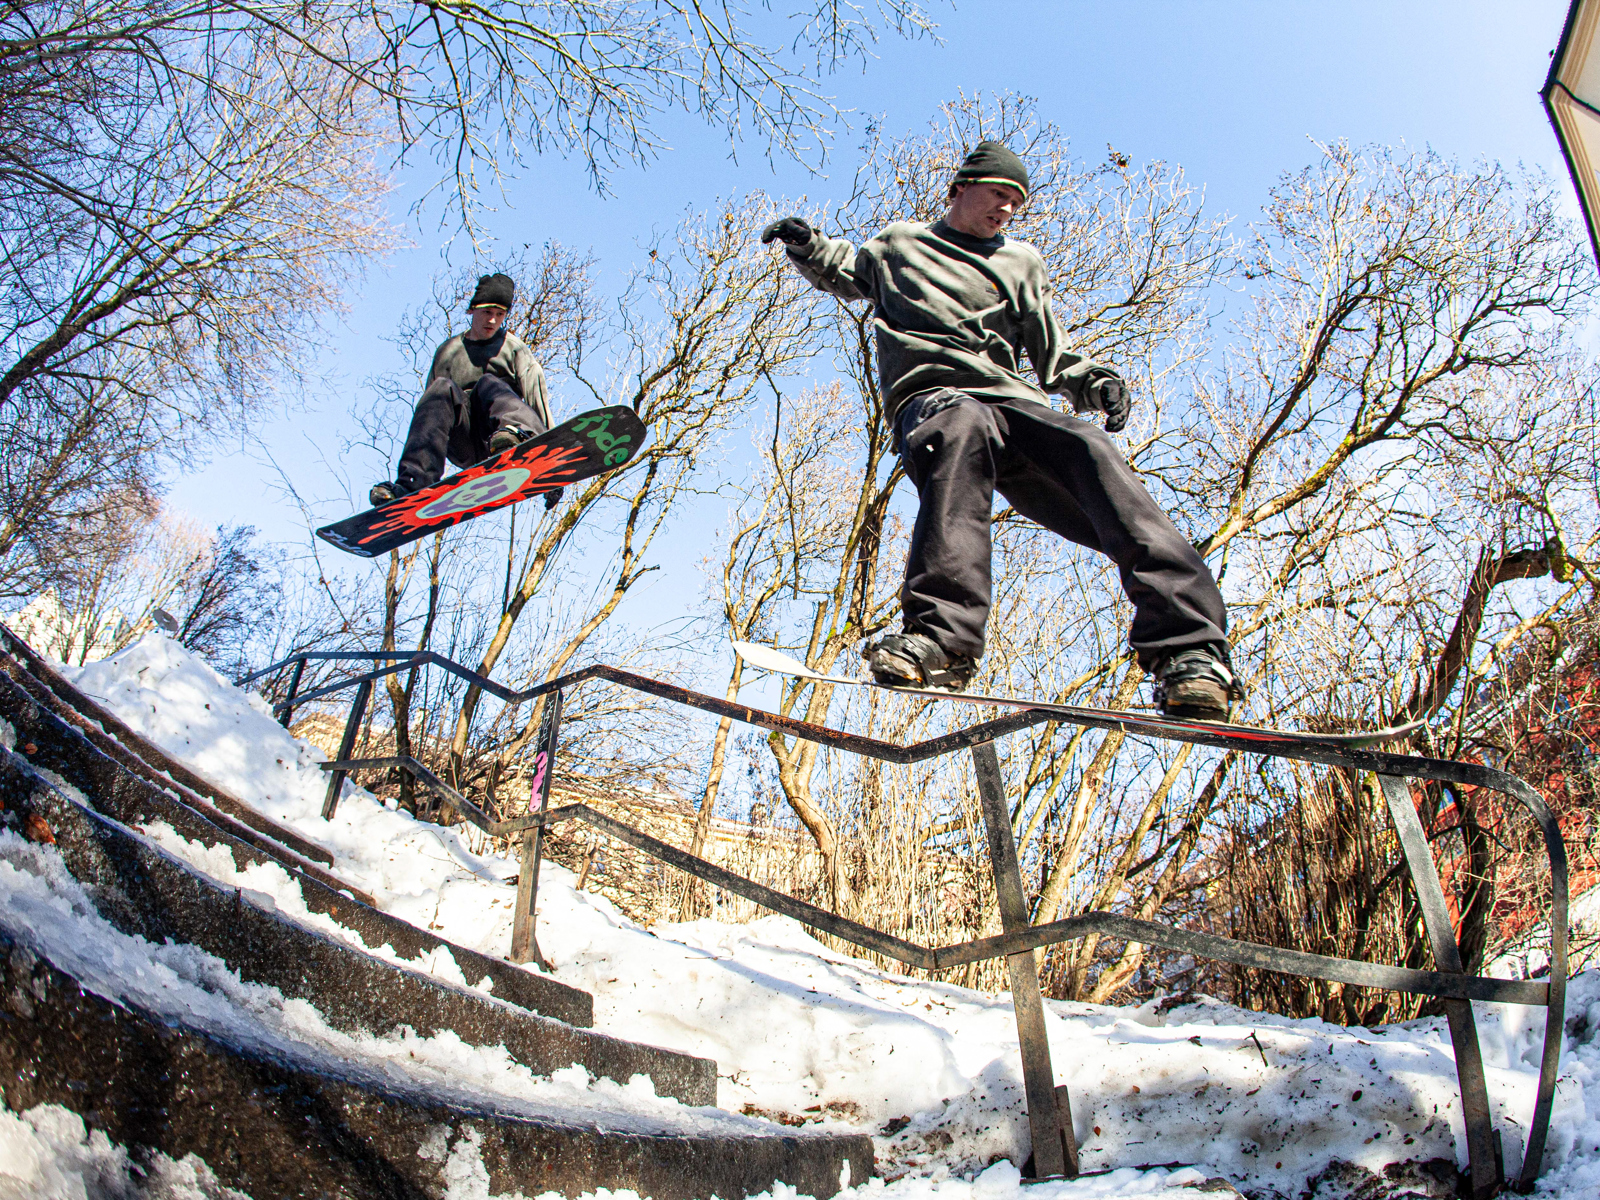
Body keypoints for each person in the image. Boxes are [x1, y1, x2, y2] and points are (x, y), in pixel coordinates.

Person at [761, 141, 1239, 720]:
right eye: (999, 194)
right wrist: (806, 244)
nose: (1007, 209)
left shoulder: (1020, 262)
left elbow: (1053, 353)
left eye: (1017, 202)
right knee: (961, 429)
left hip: (1012, 401)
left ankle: (1190, 653)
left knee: (1091, 447)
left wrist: (1096, 385)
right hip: (935, 399)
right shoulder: (900, 244)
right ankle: (944, 640)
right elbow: (845, 269)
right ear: (960, 189)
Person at [369, 272, 557, 507]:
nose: (492, 321)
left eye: (500, 315)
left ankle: (518, 440)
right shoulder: (448, 352)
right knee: (441, 388)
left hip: (502, 433)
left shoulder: (514, 350)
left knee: (488, 384)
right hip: (465, 442)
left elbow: (537, 399)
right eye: (487, 313)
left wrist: (551, 464)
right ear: (472, 311)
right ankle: (413, 483)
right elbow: (428, 414)